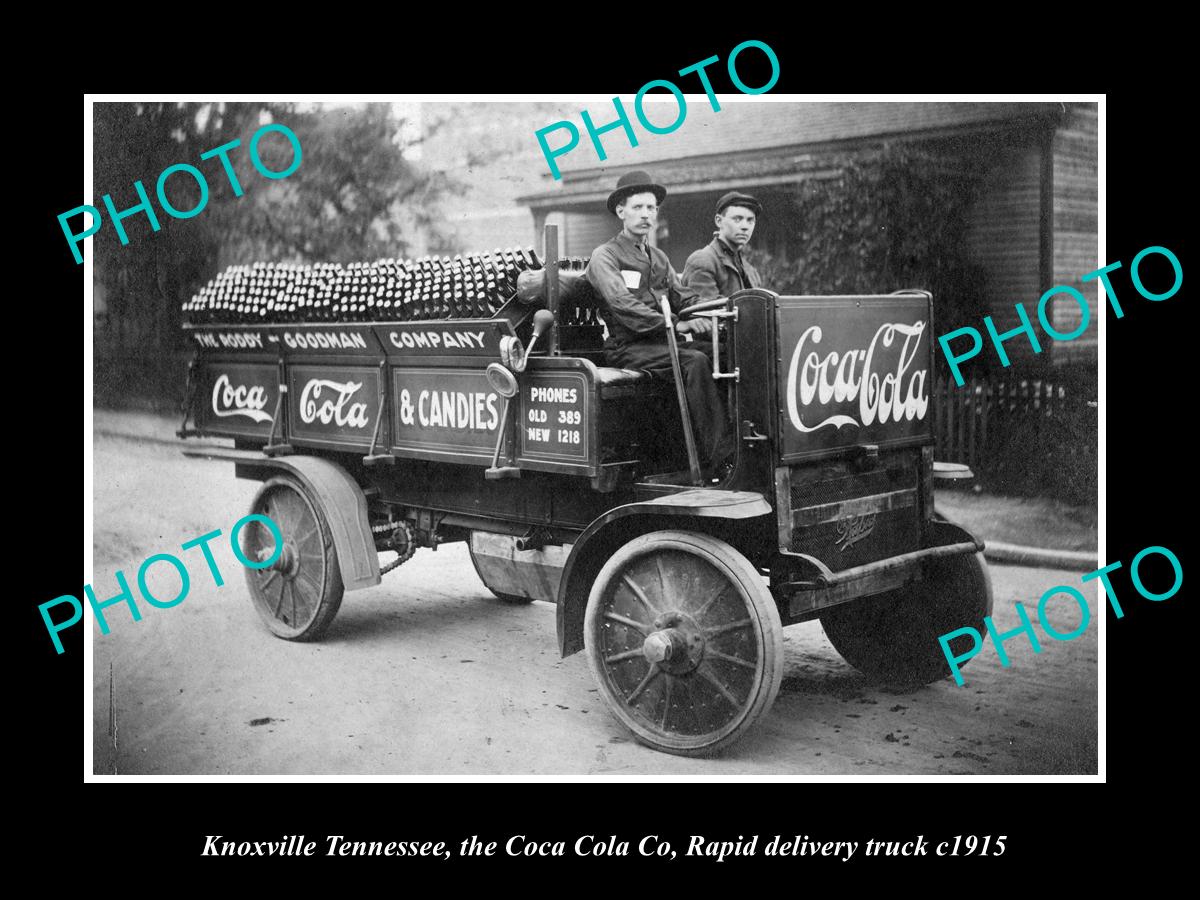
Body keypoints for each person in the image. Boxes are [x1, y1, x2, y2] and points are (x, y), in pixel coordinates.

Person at [585, 170, 735, 476]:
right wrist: (676, 324)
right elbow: (622, 304)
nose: (645, 214)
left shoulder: (658, 258)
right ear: (621, 211)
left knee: (726, 352)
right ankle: (723, 458)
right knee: (694, 360)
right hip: (629, 347)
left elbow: (684, 295)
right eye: (637, 207)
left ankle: (742, 443)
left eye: (651, 208)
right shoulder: (605, 256)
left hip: (662, 343)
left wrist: (706, 314)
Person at [682, 191, 763, 300]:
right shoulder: (703, 261)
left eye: (750, 220)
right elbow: (705, 311)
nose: (745, 226)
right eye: (737, 219)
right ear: (719, 221)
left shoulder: (750, 271)